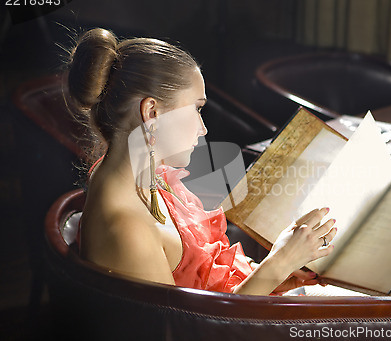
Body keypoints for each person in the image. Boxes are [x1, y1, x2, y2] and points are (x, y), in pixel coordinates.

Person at [68, 28, 337, 296]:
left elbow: (202, 284)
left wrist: (272, 276)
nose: (203, 128)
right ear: (152, 113)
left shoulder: (134, 173)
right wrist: (280, 263)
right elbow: (191, 328)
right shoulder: (127, 230)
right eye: (197, 108)